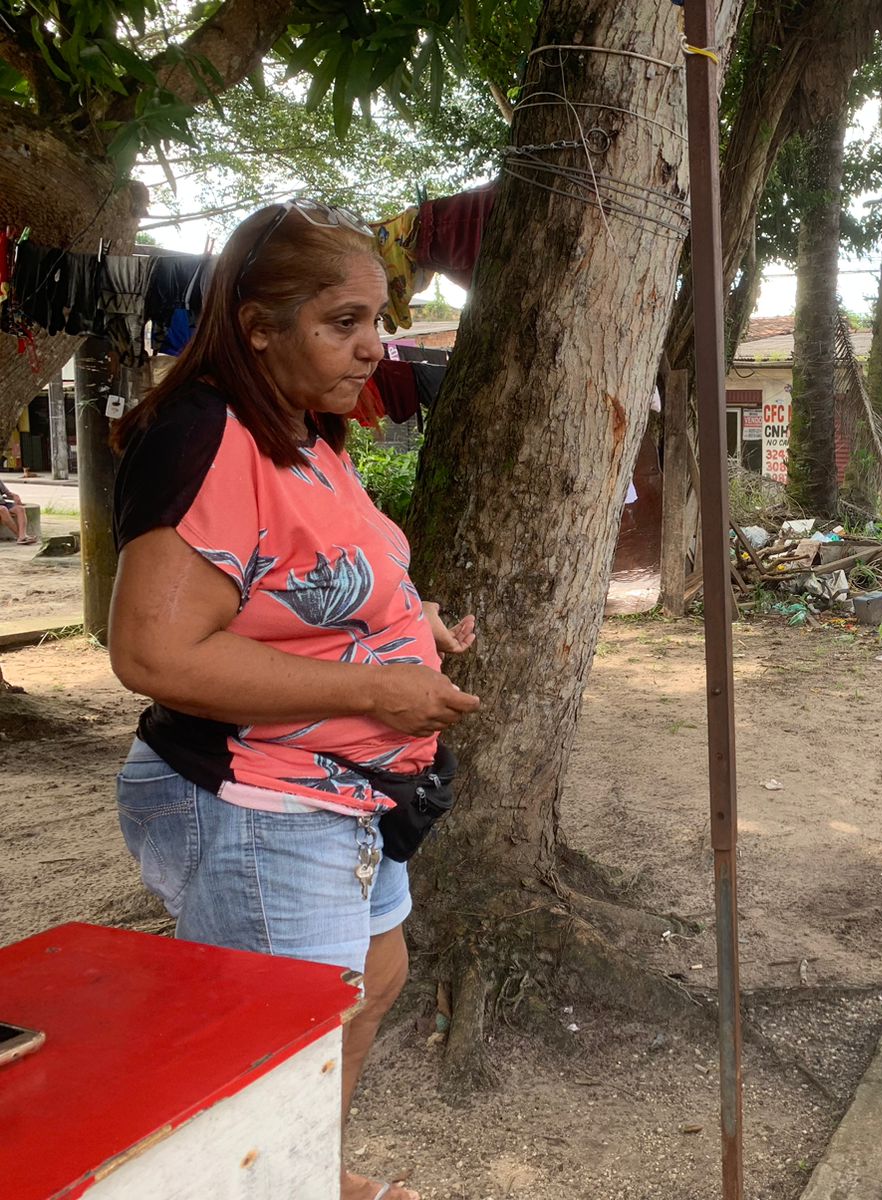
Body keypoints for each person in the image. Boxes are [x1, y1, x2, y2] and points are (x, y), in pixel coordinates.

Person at [107, 198, 481, 1200]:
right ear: (257, 327)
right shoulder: (205, 436)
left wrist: (412, 624)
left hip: (346, 796)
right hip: (258, 801)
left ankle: (300, 1173)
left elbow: (303, 590)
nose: (373, 347)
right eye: (343, 322)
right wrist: (375, 687)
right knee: (277, 1046)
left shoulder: (308, 438)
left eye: (378, 319)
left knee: (371, 986)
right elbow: (153, 652)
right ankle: (265, 1178)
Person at [0, 477, 36, 545]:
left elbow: (7, 493)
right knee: (3, 510)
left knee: (20, 509)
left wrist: (15, 496)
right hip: (2, 507)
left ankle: (23, 535)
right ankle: (19, 536)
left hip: (3, 503)